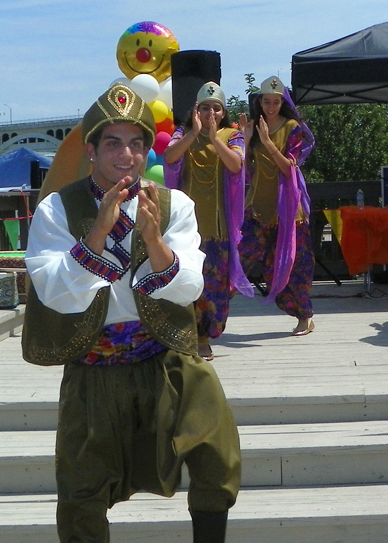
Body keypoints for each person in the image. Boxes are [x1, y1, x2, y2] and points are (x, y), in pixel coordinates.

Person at [21, 83, 241, 543]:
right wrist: (97, 234)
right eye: (114, 143)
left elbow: (189, 286)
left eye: (137, 144)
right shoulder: (56, 210)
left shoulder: (172, 204)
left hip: (163, 355)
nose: (127, 155)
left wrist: (155, 241)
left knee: (215, 448)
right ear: (92, 150)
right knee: (81, 491)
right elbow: (54, 291)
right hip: (92, 366)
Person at [164, 81, 252, 361]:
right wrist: (196, 133)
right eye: (205, 108)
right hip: (188, 229)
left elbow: (237, 165)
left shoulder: (231, 135)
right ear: (196, 111)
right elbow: (170, 156)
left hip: (218, 227)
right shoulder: (184, 133)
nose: (210, 113)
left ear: (223, 112)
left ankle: (205, 336)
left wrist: (215, 138)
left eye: (216, 108)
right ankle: (191, 336)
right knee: (187, 280)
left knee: (214, 287)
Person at [238, 75, 315, 336]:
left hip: (289, 209)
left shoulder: (292, 127)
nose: (270, 107)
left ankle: (305, 317)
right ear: (260, 102)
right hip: (258, 205)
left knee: (296, 264)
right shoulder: (255, 125)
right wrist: (247, 140)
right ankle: (208, 315)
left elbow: (288, 168)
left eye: (276, 102)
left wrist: (269, 144)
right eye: (266, 102)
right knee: (238, 256)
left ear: (283, 103)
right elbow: (244, 169)